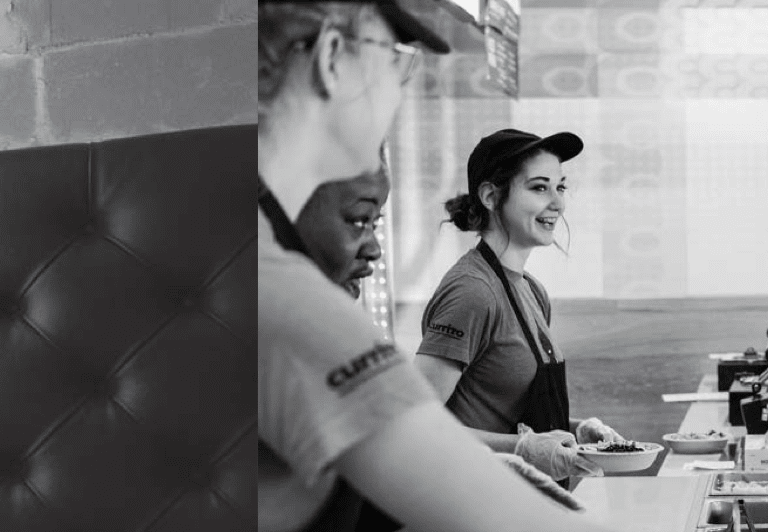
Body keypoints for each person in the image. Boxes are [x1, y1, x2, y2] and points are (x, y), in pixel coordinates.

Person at [259, 2, 617, 531]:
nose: (403, 87)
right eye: (398, 61)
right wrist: (520, 451)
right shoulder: (286, 296)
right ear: (332, 58)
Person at [416, 128, 622, 481]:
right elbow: (416, 422)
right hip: (476, 499)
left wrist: (574, 432)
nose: (558, 202)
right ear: (490, 196)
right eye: (539, 187)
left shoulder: (533, 291)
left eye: (560, 187)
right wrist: (521, 449)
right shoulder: (472, 292)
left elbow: (509, 414)